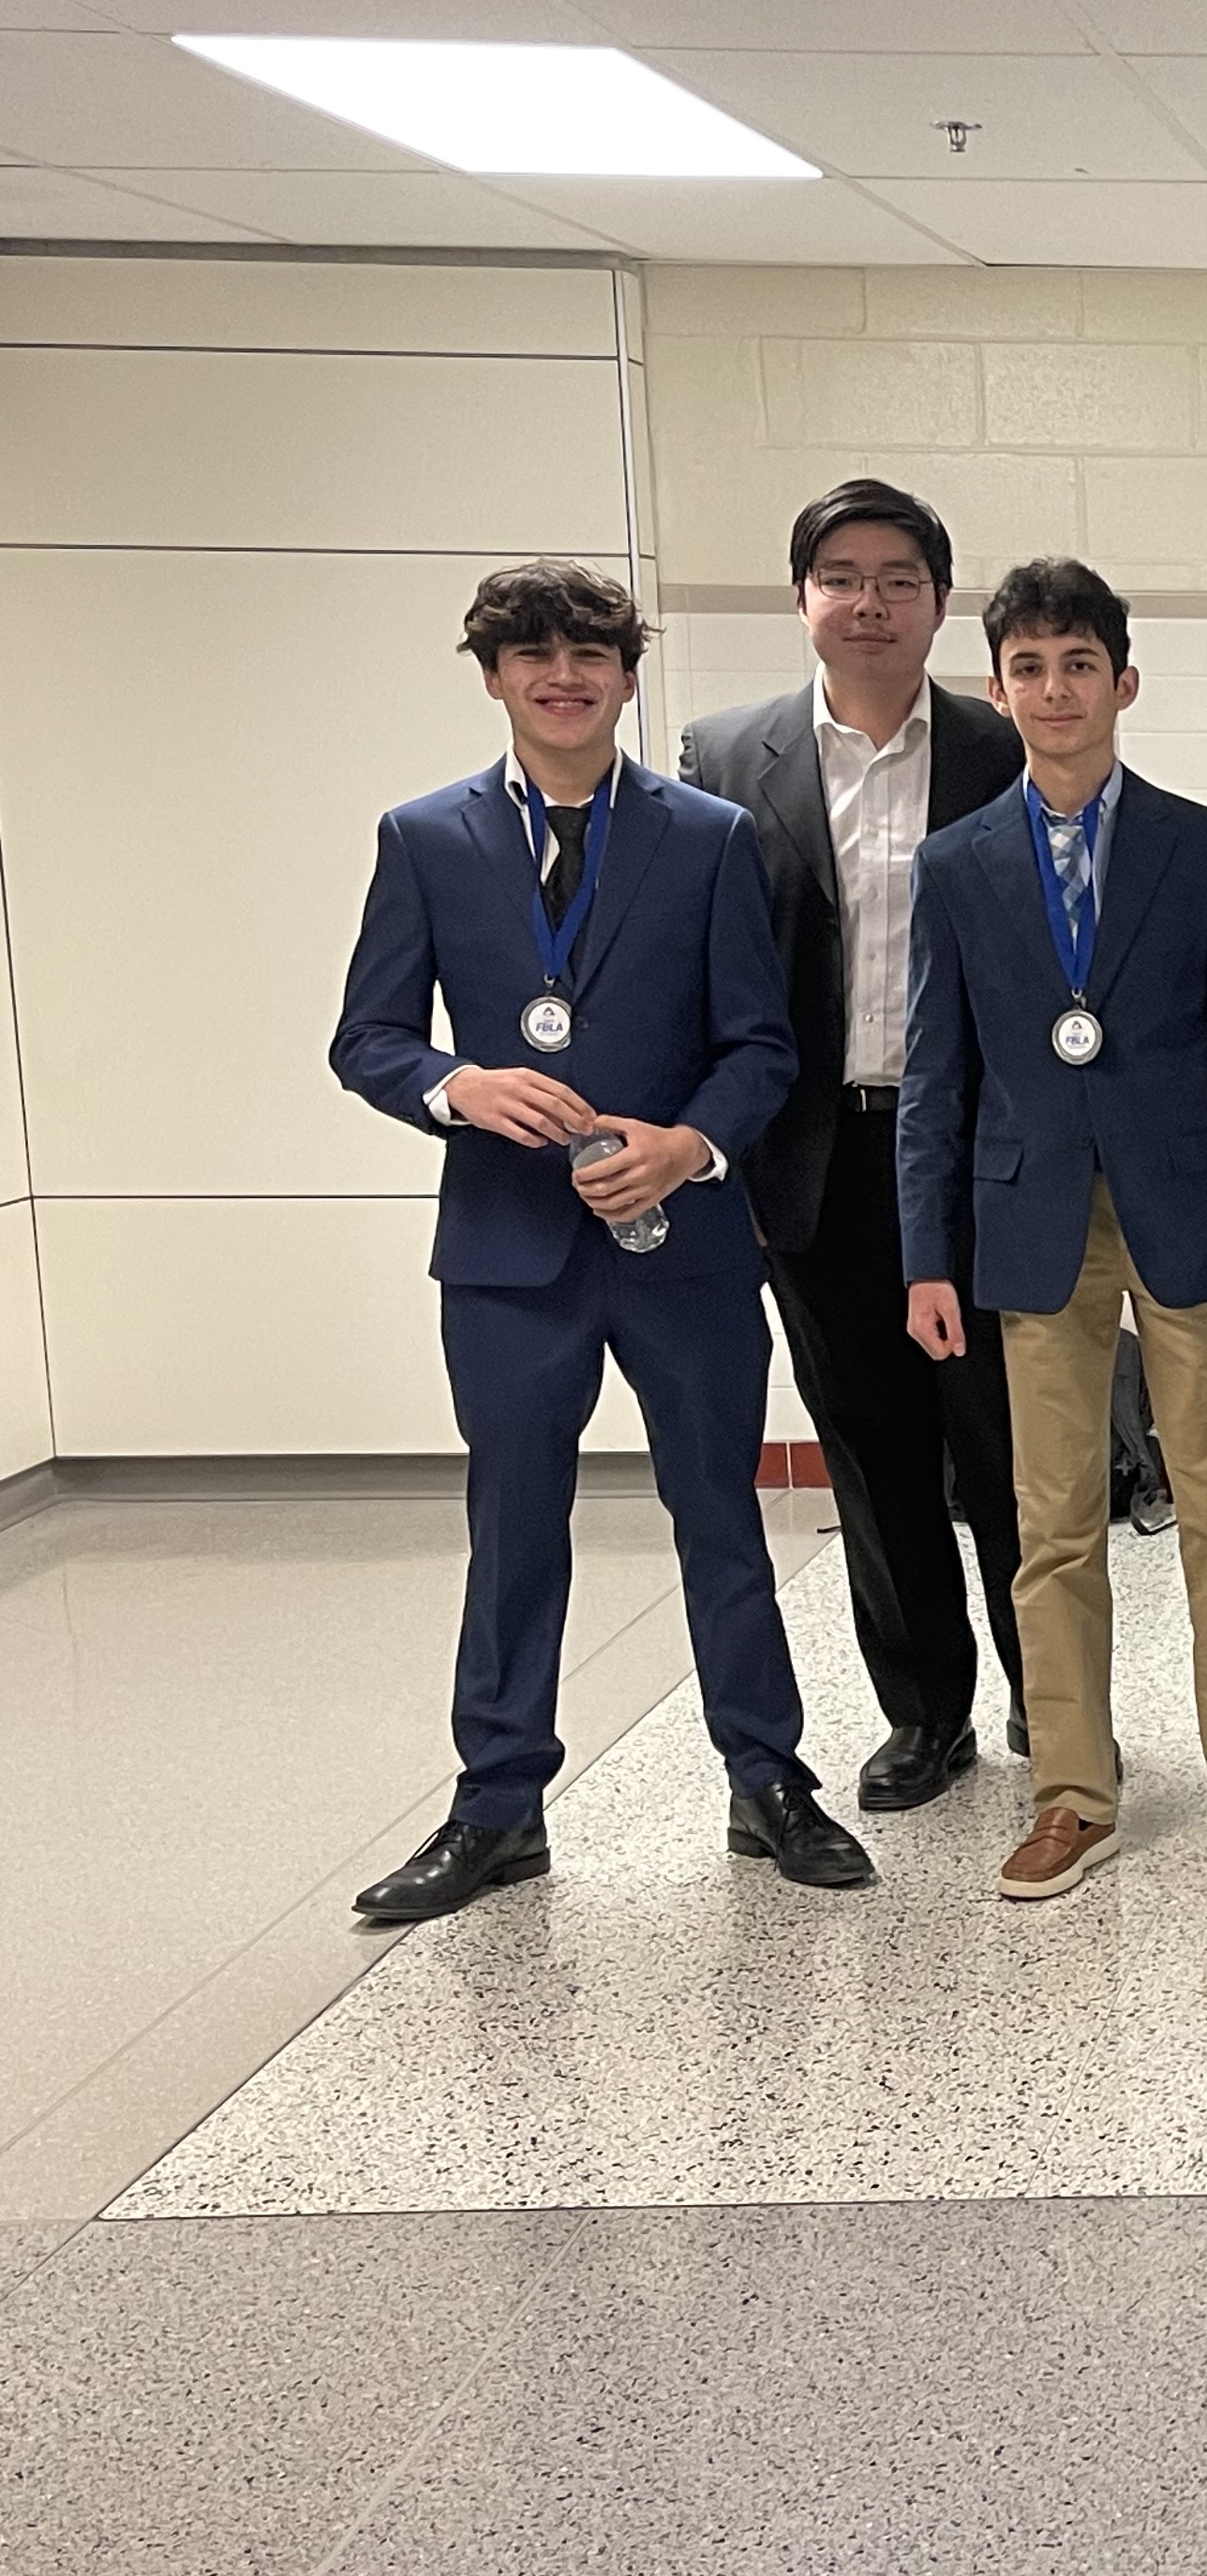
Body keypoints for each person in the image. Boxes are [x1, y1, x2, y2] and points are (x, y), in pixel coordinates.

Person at [333, 560, 872, 1918]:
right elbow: (369, 1039)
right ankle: (498, 1806)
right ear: (495, 675)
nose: (562, 676)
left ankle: (766, 1780)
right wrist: (460, 1087)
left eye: (590, 654)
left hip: (680, 1248)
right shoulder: (426, 839)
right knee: (514, 1527)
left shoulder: (707, 835)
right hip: (509, 1254)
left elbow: (763, 1045)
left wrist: (687, 1148)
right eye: (533, 655)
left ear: (628, 678)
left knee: (721, 1522)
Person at [896, 557, 1207, 1901]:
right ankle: (1073, 1794)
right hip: (1032, 1225)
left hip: (1193, 1213)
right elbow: (936, 1072)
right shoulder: (960, 863)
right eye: (1027, 666)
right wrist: (927, 1255)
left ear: (1123, 682)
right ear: (997, 688)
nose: (1054, 688)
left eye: (1079, 663)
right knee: (1053, 1524)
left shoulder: (1203, 847)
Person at [681, 478, 1028, 1816]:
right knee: (874, 1454)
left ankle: (1048, 1707)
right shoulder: (723, 758)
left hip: (986, 1161)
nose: (869, 601)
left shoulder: (1004, 751)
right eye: (843, 575)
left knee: (1009, 1448)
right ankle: (925, 1713)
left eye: (899, 577)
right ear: (803, 598)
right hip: (814, 1165)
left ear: (941, 603)